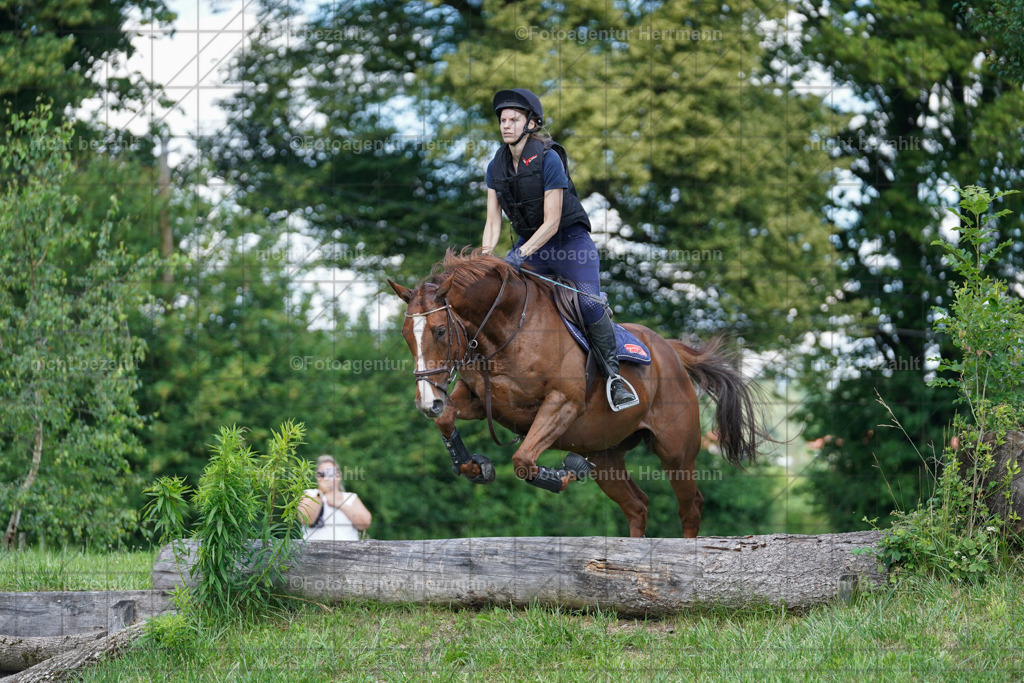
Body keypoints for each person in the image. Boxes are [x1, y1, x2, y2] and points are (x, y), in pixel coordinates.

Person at [482, 87, 639, 411]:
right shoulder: (494, 167)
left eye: (513, 119)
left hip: (569, 244)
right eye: (502, 120)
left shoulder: (549, 158)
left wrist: (520, 255)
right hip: (530, 249)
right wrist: (484, 258)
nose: (506, 125)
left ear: (531, 124)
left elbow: (552, 222)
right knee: (500, 296)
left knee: (589, 304)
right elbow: (493, 223)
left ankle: (614, 377)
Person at [298, 455, 372, 541]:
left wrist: (339, 504)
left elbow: (365, 523)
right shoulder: (309, 494)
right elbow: (305, 519)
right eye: (323, 474)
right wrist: (321, 493)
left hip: (348, 551)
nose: (328, 477)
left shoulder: (350, 497)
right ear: (317, 477)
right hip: (314, 551)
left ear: (339, 475)